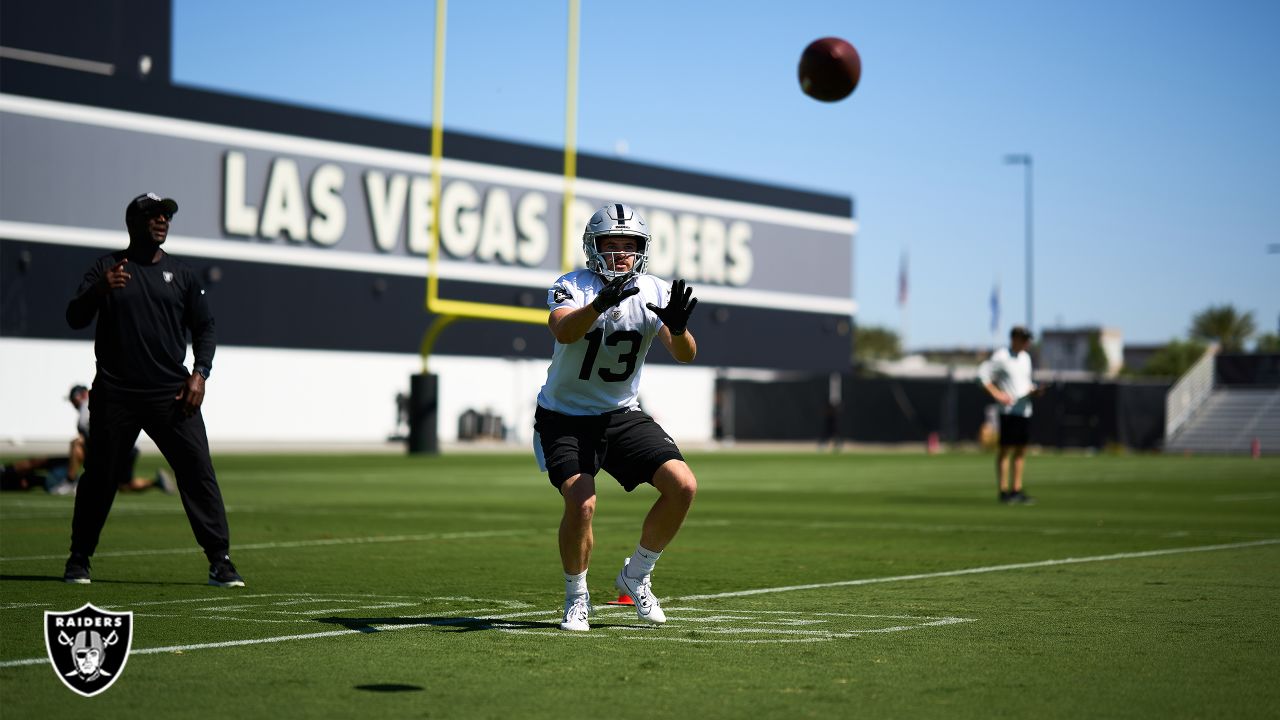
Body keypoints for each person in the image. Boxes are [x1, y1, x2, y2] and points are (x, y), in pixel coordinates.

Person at [533, 203, 700, 632]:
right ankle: (576, 598)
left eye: (630, 245)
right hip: (565, 416)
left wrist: (678, 330)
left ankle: (637, 574)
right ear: (594, 247)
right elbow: (564, 331)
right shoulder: (572, 285)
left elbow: (686, 355)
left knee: (683, 485)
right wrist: (599, 305)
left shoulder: (653, 290)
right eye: (612, 244)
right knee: (582, 503)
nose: (622, 254)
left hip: (619, 413)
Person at [63, 192, 243, 587]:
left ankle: (220, 560)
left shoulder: (181, 275)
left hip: (171, 395)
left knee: (198, 472)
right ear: (133, 222)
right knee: (101, 476)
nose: (162, 220)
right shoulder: (106, 268)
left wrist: (200, 373)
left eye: (166, 216)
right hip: (116, 394)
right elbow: (74, 317)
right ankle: (79, 558)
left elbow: (205, 327)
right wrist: (100, 290)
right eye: (153, 215)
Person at [68, 384, 176, 495]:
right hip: (129, 445)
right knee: (124, 485)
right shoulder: (102, 400)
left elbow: (87, 432)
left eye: (73, 400)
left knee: (77, 444)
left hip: (117, 445)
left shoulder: (85, 406)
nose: (72, 404)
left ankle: (70, 482)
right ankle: (156, 483)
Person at [978, 326, 1044, 504]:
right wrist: (998, 394)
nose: (1027, 343)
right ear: (1015, 338)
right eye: (1025, 339)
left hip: (1024, 410)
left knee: (1021, 450)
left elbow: (1025, 383)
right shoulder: (1001, 356)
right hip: (1008, 411)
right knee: (1005, 450)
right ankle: (1003, 491)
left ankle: (1017, 489)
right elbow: (982, 376)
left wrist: (1034, 391)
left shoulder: (1026, 358)